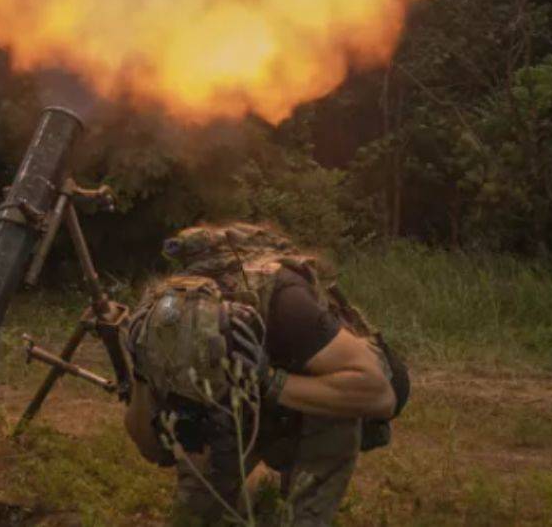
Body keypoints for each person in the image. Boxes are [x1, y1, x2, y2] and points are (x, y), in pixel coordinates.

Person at [124, 223, 408, 526]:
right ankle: (260, 484)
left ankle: (305, 511)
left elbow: (379, 393)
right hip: (236, 411)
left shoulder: (284, 301)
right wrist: (143, 374)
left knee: (338, 412)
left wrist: (269, 380)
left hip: (304, 400)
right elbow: (151, 447)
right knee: (196, 516)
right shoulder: (161, 327)